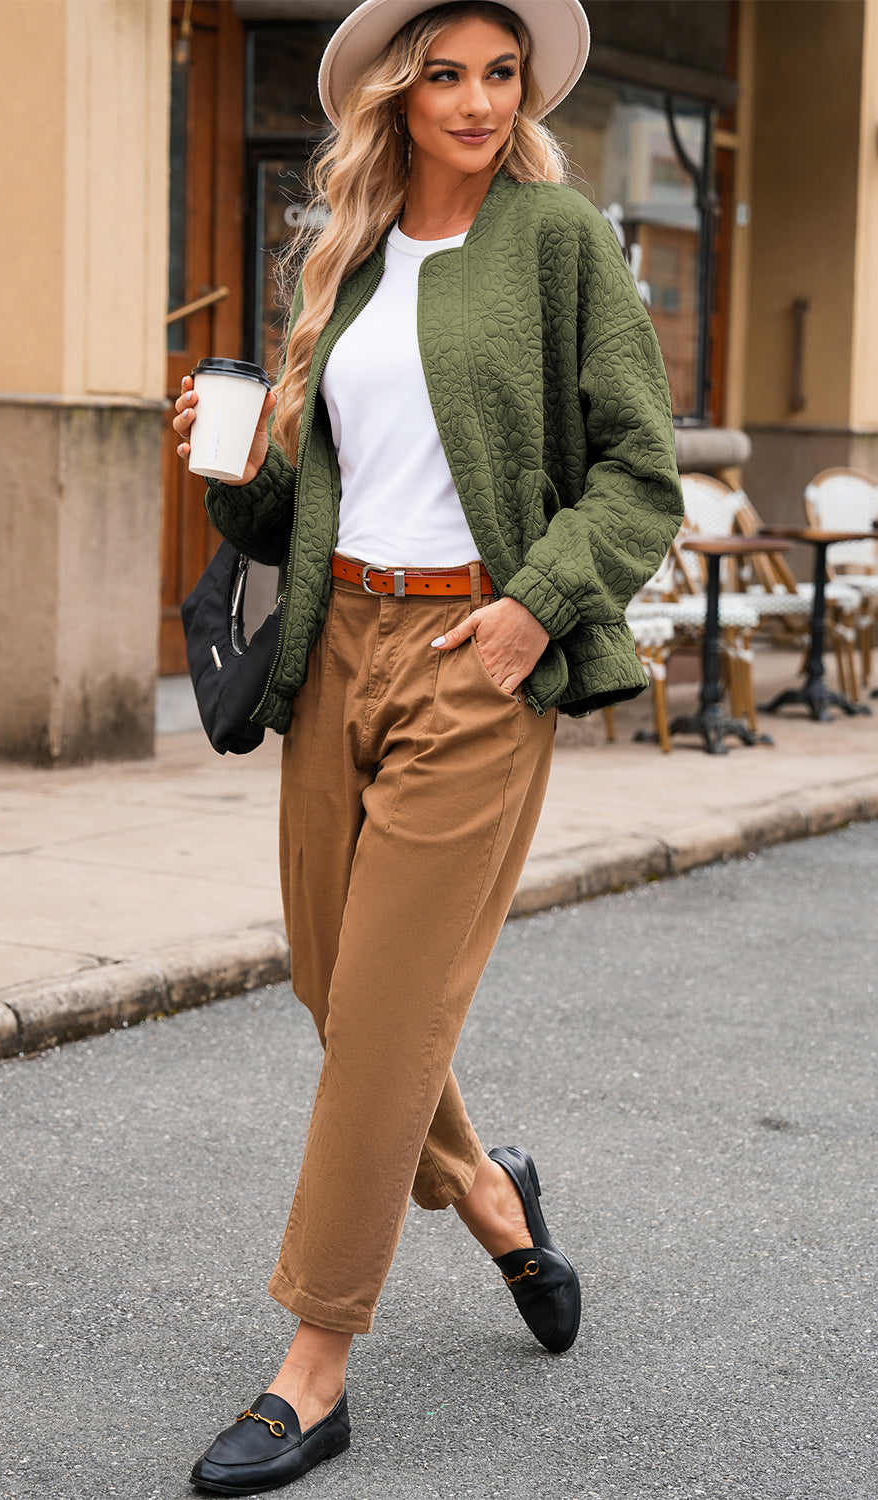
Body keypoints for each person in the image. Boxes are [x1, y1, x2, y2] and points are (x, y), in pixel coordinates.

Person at [173, 0, 682, 1490]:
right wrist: (239, 463)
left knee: (385, 1022)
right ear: (393, 96)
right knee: (337, 989)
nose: (471, 99)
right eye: (442, 74)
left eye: (496, 73)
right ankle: (490, 1195)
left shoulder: (558, 240)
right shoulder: (337, 262)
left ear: (521, 89)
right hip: (336, 653)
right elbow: (289, 516)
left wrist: (536, 613)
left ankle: (310, 1367)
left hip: (480, 651)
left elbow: (639, 472)